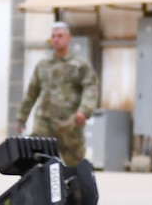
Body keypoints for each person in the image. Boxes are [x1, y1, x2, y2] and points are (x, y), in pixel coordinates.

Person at [18, 21, 101, 168]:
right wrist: (21, 118)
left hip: (69, 122)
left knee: (74, 164)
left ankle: (73, 190)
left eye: (60, 36)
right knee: (39, 160)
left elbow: (90, 88)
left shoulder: (80, 65)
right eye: (53, 36)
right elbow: (32, 93)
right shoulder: (43, 65)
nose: (56, 39)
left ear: (69, 38)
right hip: (44, 122)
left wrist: (84, 110)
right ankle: (41, 189)